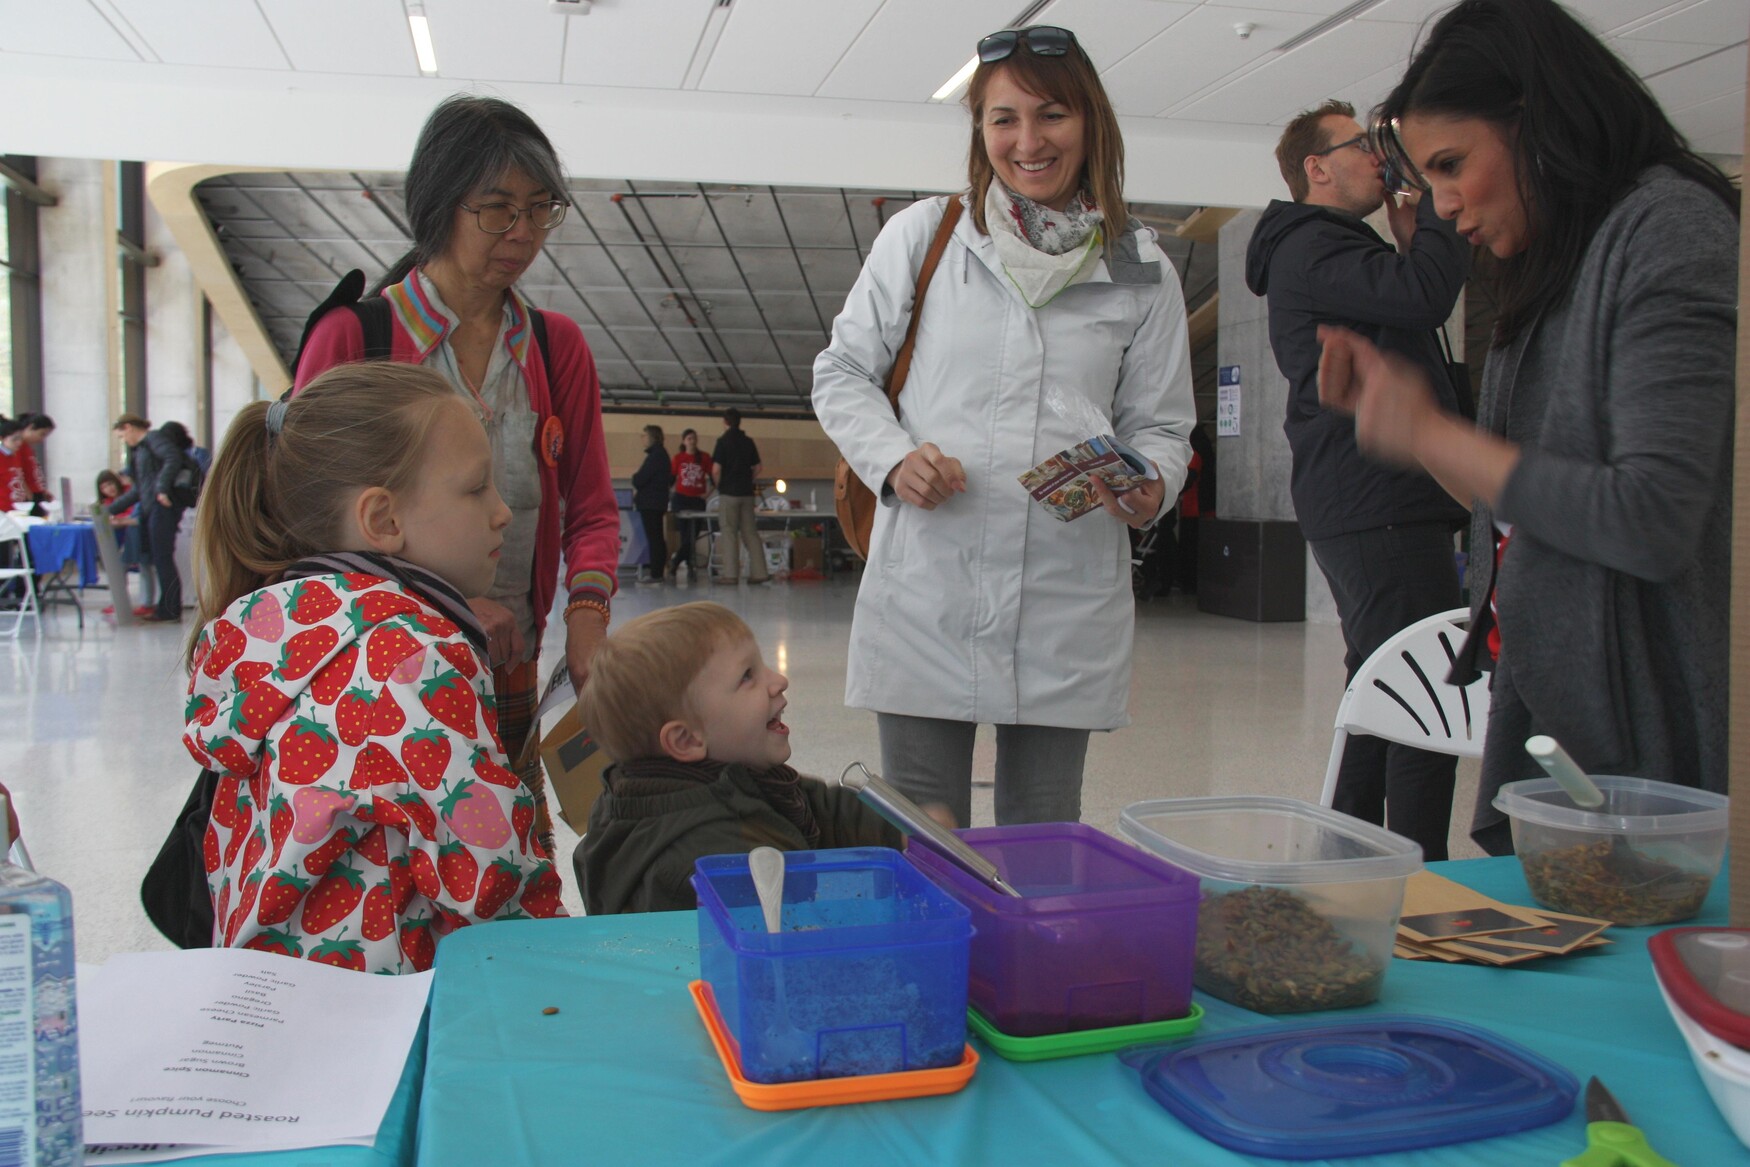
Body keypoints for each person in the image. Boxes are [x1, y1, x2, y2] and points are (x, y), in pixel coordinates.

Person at [1317, 0, 1737, 854]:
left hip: (1644, 739)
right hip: (1553, 711)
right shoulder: (1552, 261)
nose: (1441, 205)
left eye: (1452, 164)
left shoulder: (1671, 230)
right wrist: (1413, 426)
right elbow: (1508, 505)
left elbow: (1652, 517)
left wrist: (1436, 433)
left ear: (1539, 121)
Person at [812, 24, 1194, 828]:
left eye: (1051, 115)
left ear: (1089, 121)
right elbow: (840, 371)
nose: (1028, 141)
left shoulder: (1142, 269)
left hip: (1063, 599)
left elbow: (1161, 424)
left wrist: (1150, 483)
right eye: (1003, 118)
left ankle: (1028, 961)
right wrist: (892, 458)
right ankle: (932, 962)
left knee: (1043, 843)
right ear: (980, 132)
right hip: (930, 588)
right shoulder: (925, 237)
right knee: (925, 834)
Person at [294, 94, 619, 850]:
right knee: (393, 873)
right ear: (440, 206)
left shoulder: (554, 347)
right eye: (497, 210)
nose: (524, 234)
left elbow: (594, 510)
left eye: (541, 210)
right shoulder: (358, 338)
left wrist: (586, 619)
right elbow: (304, 533)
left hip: (511, 669)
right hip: (381, 673)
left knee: (509, 865)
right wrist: (447, 600)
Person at [183, 363, 565, 972]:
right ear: (383, 520)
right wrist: (560, 962)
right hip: (387, 1008)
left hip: (273, 992)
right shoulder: (410, 653)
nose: (503, 512)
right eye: (476, 489)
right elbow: (487, 873)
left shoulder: (264, 630)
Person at [1246, 99, 1471, 860]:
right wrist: (1440, 199)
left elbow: (1410, 306)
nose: (1384, 158)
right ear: (1317, 167)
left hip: (1372, 497)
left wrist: (1412, 241)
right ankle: (1415, 875)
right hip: (1377, 498)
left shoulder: (1328, 246)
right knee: (1426, 688)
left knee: (1383, 681)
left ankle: (1350, 863)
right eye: (1366, 145)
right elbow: (1423, 296)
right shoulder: (1314, 244)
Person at [574, 602, 901, 914]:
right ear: (686, 739)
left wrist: (901, 831)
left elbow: (815, 806)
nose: (779, 681)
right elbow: (777, 944)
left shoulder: (737, 780)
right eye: (747, 676)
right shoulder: (711, 864)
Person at [108, 414, 195, 623]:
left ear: (128, 427)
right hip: (154, 508)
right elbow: (139, 489)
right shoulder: (142, 451)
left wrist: (162, 489)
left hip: (163, 508)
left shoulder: (153, 439)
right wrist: (110, 509)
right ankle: (166, 607)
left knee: (163, 558)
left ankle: (170, 609)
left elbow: (172, 457)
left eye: (122, 436)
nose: (124, 441)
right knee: (160, 558)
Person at [710, 408, 768, 585]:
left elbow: (716, 469)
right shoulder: (748, 442)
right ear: (739, 421)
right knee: (750, 533)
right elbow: (758, 467)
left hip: (729, 493)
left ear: (725, 422)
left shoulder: (723, 441)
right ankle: (760, 573)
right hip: (747, 493)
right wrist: (746, 480)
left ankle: (731, 575)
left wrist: (719, 484)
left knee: (729, 533)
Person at [668, 427, 713, 579]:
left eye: (694, 438)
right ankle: (688, 562)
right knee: (685, 534)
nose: (692, 441)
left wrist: (707, 494)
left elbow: (714, 478)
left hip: (697, 500)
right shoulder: (678, 458)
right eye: (689, 439)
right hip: (681, 499)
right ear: (684, 441)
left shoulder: (705, 458)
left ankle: (677, 560)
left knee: (693, 535)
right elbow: (671, 478)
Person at [630, 424, 673, 583]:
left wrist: (635, 478)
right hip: (656, 502)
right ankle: (657, 570)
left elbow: (640, 479)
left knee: (654, 538)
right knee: (656, 537)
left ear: (652, 437)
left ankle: (656, 573)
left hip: (651, 503)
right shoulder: (661, 455)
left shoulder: (656, 456)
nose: (643, 439)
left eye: (645, 435)